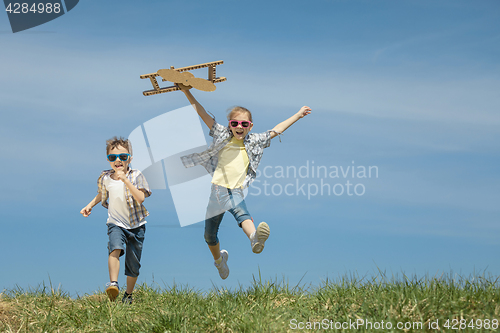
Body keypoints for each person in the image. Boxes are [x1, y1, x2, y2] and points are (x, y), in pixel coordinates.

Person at [179, 84, 311, 279]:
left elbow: (276, 130)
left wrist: (298, 115)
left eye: (244, 124)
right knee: (209, 235)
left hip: (235, 189)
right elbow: (201, 113)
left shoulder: (254, 141)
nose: (239, 127)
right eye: (235, 124)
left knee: (240, 210)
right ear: (229, 125)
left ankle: (254, 237)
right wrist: (186, 91)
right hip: (216, 190)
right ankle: (219, 261)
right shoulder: (222, 135)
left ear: (250, 126)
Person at [80, 137, 151, 303]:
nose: (118, 160)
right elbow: (102, 194)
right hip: (115, 223)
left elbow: (141, 197)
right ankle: (113, 284)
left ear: (130, 159)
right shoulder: (105, 177)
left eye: (123, 157)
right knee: (115, 248)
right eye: (113, 157)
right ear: (108, 160)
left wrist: (125, 180)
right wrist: (90, 205)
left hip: (136, 225)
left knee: (133, 264)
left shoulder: (136, 175)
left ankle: (128, 295)